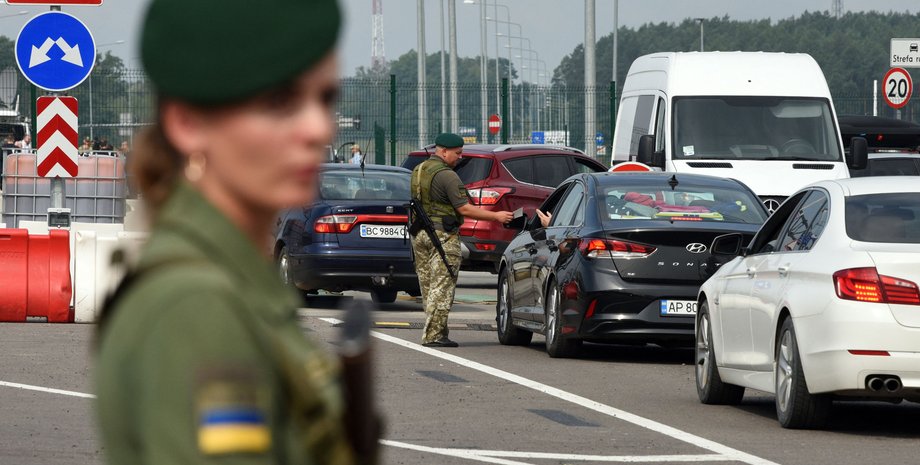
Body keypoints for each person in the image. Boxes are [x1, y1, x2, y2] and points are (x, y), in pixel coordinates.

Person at [94, 0, 362, 464]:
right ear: (187, 123)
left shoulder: (230, 276)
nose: (319, 128)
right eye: (279, 102)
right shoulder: (196, 306)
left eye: (325, 99)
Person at [410, 133, 513, 347]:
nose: (459, 157)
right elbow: (463, 208)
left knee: (428, 286)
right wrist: (497, 216)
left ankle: (437, 331)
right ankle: (434, 336)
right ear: (444, 151)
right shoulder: (447, 175)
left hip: (420, 234)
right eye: (457, 153)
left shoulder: (419, 170)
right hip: (441, 236)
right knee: (442, 285)